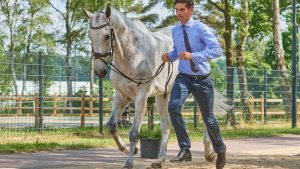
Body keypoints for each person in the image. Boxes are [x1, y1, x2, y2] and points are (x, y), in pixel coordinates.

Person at [161, 0, 226, 168]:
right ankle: (185, 149)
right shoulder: (175, 30)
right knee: (173, 107)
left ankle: (220, 149)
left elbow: (217, 50)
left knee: (209, 119)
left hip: (203, 80)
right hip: (184, 77)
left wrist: (194, 55)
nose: (179, 13)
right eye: (176, 10)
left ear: (191, 10)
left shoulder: (201, 28)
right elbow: (177, 52)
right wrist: (169, 56)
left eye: (182, 9)